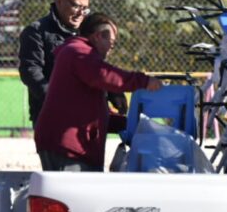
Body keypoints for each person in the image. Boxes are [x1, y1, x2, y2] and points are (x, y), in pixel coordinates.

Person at [34, 12, 162, 172]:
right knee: (73, 195)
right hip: (67, 147)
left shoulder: (75, 53)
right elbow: (105, 75)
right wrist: (144, 81)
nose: (110, 49)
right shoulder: (79, 52)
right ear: (99, 36)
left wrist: (127, 124)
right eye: (111, 43)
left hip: (69, 144)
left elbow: (91, 111)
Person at [17, 0, 128, 133]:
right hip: (51, 117)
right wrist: (59, 102)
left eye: (85, 8)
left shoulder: (88, 31)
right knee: (64, 157)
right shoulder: (36, 32)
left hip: (90, 116)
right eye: (76, 6)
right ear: (60, 1)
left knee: (134, 128)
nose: (81, 13)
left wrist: (113, 90)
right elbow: (31, 72)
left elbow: (96, 68)